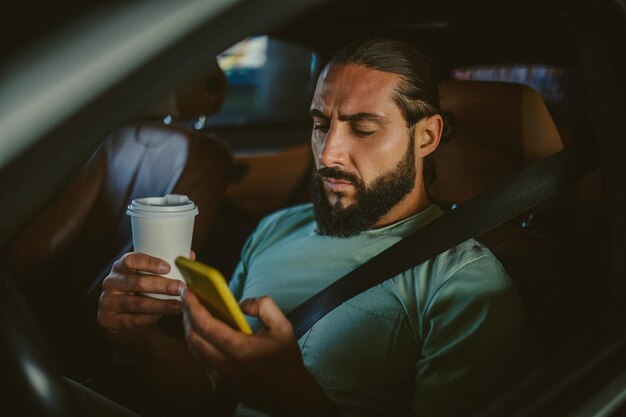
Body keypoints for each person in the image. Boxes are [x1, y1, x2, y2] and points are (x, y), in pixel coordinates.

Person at [97, 38, 534, 417]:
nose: (328, 154)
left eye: (363, 129)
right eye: (321, 125)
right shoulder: (276, 228)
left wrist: (299, 403)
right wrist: (136, 339)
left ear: (426, 137)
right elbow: (215, 395)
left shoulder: (463, 282)